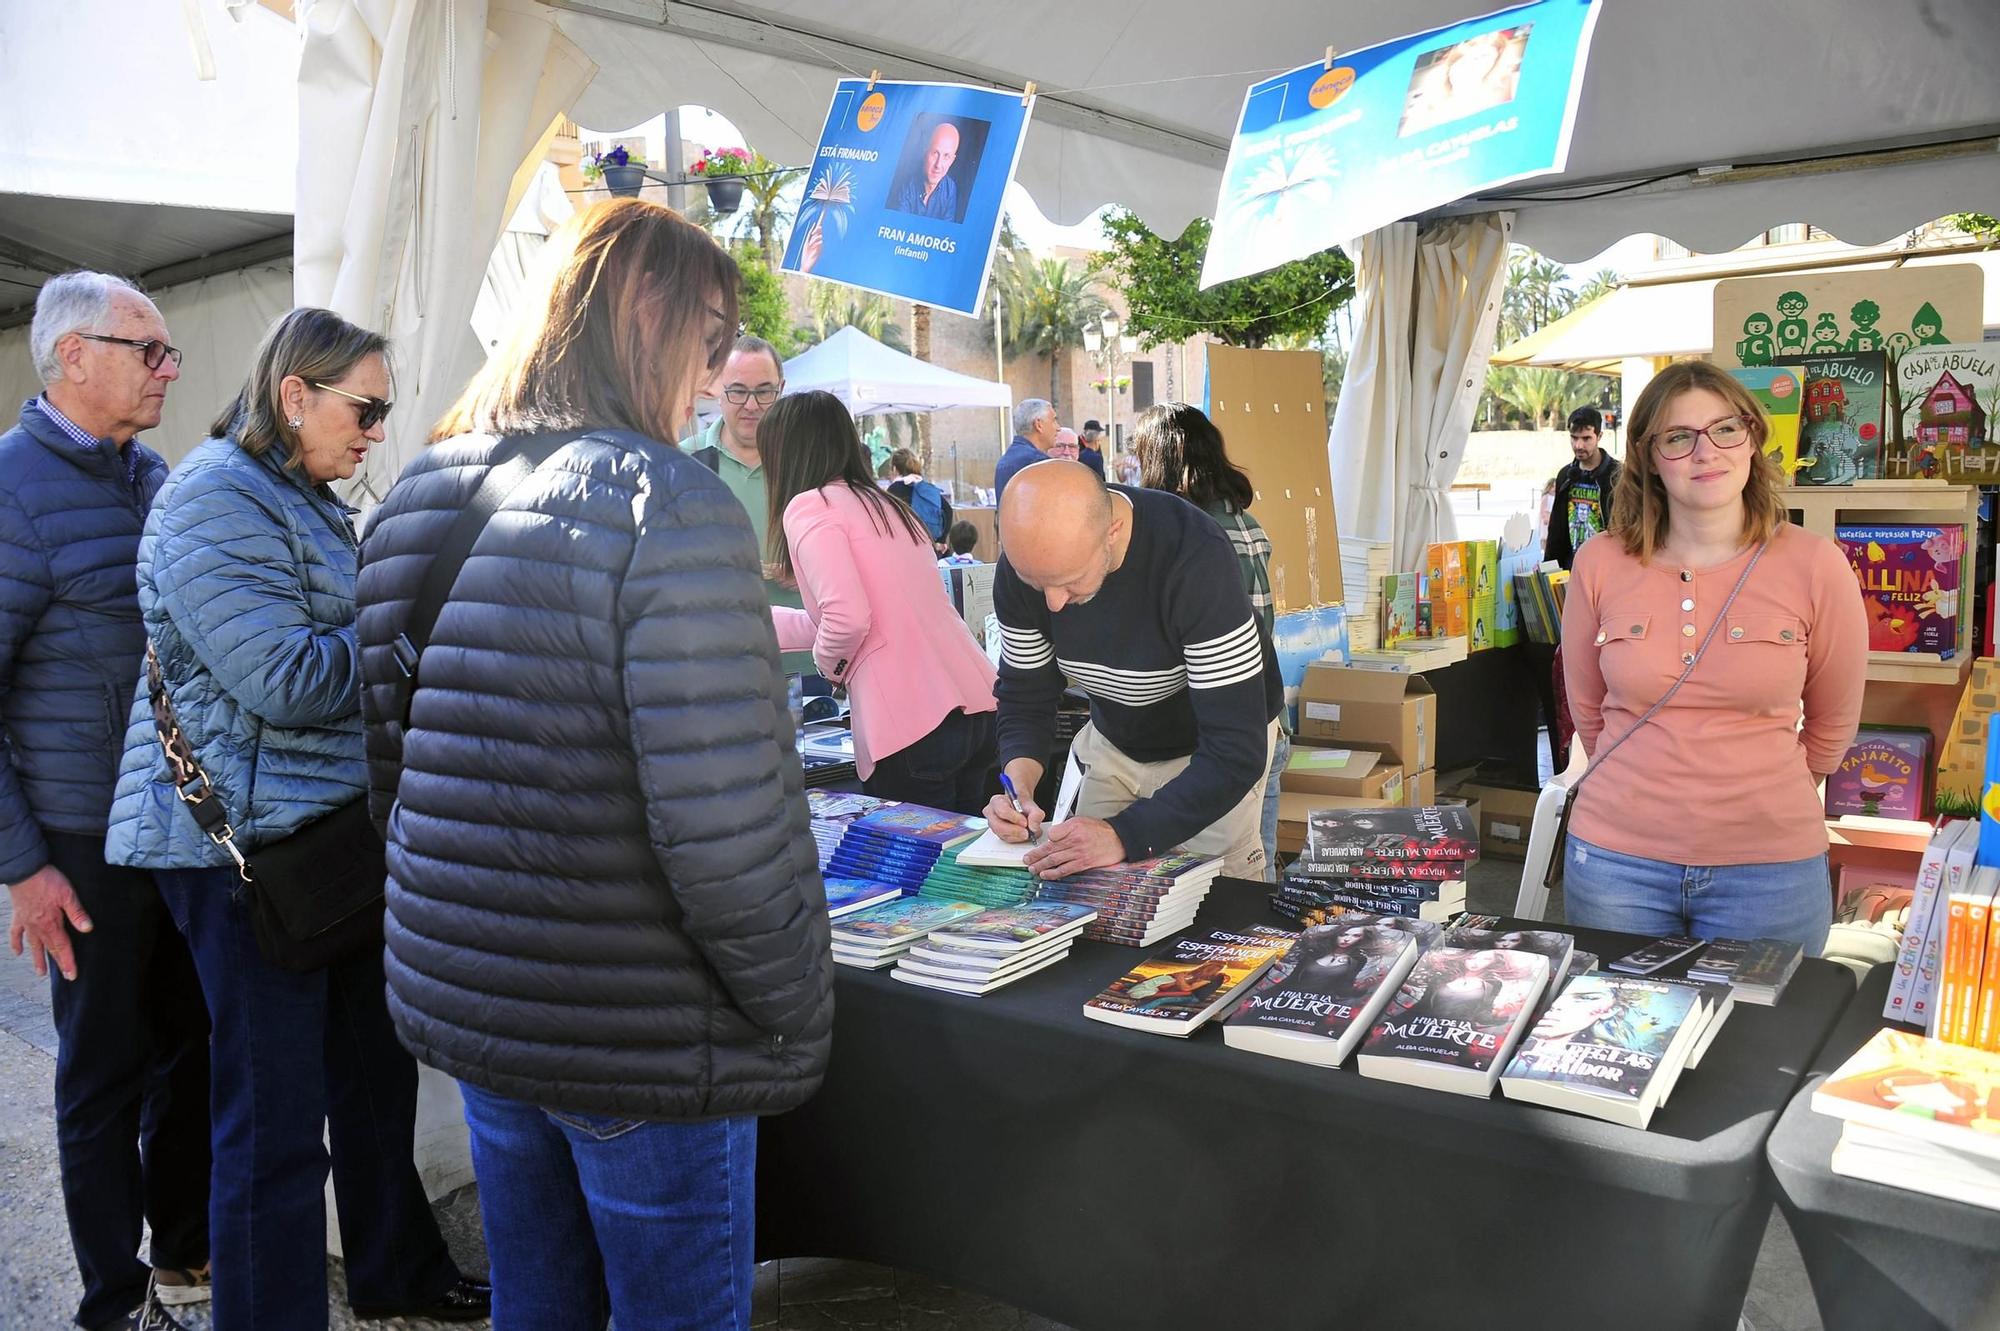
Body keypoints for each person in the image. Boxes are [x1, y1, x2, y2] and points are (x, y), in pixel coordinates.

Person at [354, 199, 833, 1331]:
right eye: (711, 341)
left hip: (485, 1007)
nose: (716, 378)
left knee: (540, 1304)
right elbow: (727, 832)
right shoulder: (670, 504)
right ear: (647, 317)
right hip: (642, 1037)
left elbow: (394, 772)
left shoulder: (418, 487)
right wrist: (794, 1009)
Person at [103, 307, 485, 1329]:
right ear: (294, 394)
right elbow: (282, 679)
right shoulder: (214, 498)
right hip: (241, 854)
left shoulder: (301, 493)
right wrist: (412, 634)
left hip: (322, 836)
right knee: (273, 1121)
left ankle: (395, 1272)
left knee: (372, 1081)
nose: (373, 431)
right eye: (364, 409)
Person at [2, 272, 210, 1331]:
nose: (168, 368)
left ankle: (181, 1259)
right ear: (71, 355)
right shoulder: (10, 487)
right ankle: (110, 1302)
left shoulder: (151, 472)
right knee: (102, 1074)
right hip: (81, 843)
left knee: (192, 1047)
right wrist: (24, 866)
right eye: (149, 349)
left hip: (172, 826)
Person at [1561, 360, 1867, 955]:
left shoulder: (1815, 564)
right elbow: (1588, 710)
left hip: (1770, 868)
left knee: (1760, 1044)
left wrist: (1757, 792)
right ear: (1649, 456)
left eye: (1726, 429)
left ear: (1752, 438)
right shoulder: (1599, 563)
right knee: (1620, 1041)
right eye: (1679, 437)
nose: (1707, 452)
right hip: (1616, 863)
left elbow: (1832, 724)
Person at [984, 461, 1283, 880]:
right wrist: (1019, 789)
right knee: (1086, 887)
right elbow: (1024, 696)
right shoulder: (1030, 563)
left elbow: (1235, 751)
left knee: (1212, 895)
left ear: (1114, 531)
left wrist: (1123, 835)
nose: (1053, 603)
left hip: (1208, 750)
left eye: (1070, 581)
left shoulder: (1195, 559)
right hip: (1118, 738)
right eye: (1036, 584)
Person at [761, 391, 1000, 813]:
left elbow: (848, 619)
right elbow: (856, 618)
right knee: (964, 867)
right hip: (976, 704)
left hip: (913, 724)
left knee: (919, 872)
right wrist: (750, 622)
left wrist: (830, 667)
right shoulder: (887, 505)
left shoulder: (809, 507)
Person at [1133, 402, 1287, 882]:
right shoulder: (1245, 521)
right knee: (1258, 873)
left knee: (1217, 883)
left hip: (1216, 735)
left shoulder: (1187, 539)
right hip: (1266, 718)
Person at [678, 335, 810, 669]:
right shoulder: (684, 463)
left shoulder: (809, 464)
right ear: (717, 389)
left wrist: (809, 570)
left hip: (806, 665)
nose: (751, 405)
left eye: (764, 391)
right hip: (718, 660)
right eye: (737, 391)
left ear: (781, 389)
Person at [1544, 405, 1620, 570]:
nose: (1578, 445)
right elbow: (1556, 529)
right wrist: (1549, 568)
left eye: (1586, 438)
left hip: (1608, 570)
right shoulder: (1565, 475)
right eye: (1574, 438)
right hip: (1571, 569)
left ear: (1599, 436)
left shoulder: (1617, 475)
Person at [993, 397, 1057, 506]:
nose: (1058, 427)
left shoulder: (1006, 459)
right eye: (1054, 420)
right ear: (1039, 424)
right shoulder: (1038, 463)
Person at [892, 121, 960, 221]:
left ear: (952, 161)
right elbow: (898, 225)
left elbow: (945, 232)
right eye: (935, 153)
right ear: (925, 152)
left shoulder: (950, 189)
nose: (938, 165)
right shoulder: (906, 183)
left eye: (946, 156)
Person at [886, 446, 952, 549]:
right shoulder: (926, 487)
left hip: (905, 545)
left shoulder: (894, 489)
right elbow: (948, 510)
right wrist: (941, 540)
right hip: (928, 544)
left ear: (894, 468)